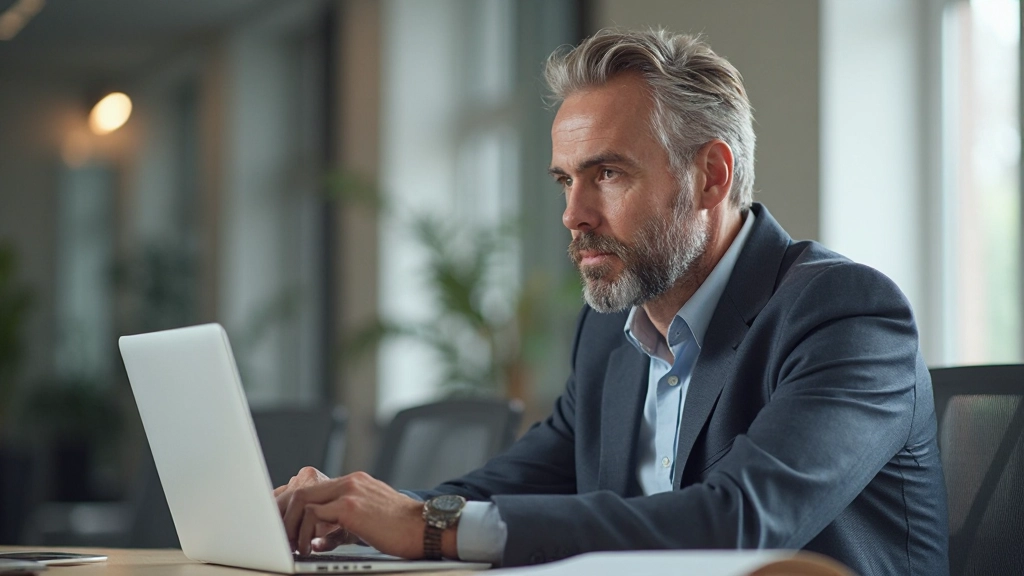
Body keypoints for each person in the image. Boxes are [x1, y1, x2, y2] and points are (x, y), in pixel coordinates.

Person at [275, 28, 950, 575]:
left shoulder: (845, 315)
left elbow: (739, 521)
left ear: (710, 176)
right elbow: (516, 487)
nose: (573, 214)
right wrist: (361, 510)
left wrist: (429, 528)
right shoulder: (610, 336)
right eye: (565, 180)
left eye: (607, 173)